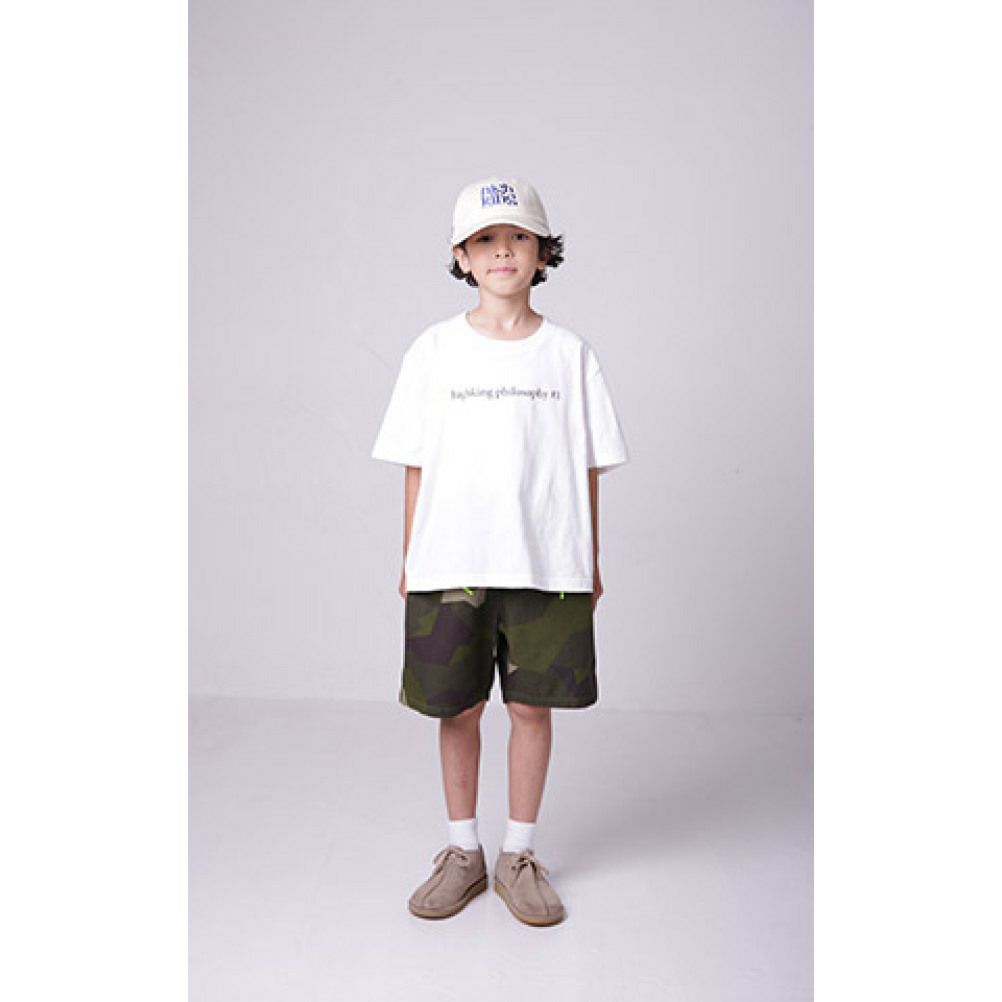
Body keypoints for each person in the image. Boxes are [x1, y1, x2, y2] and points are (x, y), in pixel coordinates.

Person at [370, 176, 630, 926]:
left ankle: (519, 853)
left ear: (543, 251)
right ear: (461, 255)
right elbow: (415, 461)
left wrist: (590, 559)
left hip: (546, 563)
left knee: (531, 709)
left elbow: (586, 466)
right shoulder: (434, 350)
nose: (502, 252)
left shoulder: (569, 355)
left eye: (518, 237)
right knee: (457, 708)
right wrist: (412, 555)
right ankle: (463, 851)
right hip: (450, 559)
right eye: (485, 240)